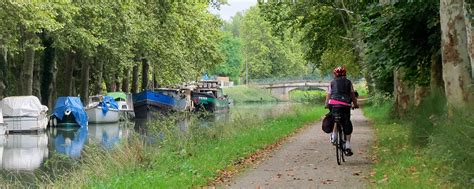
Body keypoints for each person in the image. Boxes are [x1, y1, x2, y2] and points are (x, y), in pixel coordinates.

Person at [325, 66, 359, 156]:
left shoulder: (332, 83)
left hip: (333, 103)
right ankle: (347, 145)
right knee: (346, 121)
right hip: (345, 104)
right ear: (345, 74)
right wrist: (355, 104)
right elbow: (352, 95)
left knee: (334, 116)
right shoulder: (348, 82)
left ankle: (333, 136)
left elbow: (328, 95)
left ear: (335, 75)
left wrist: (326, 104)